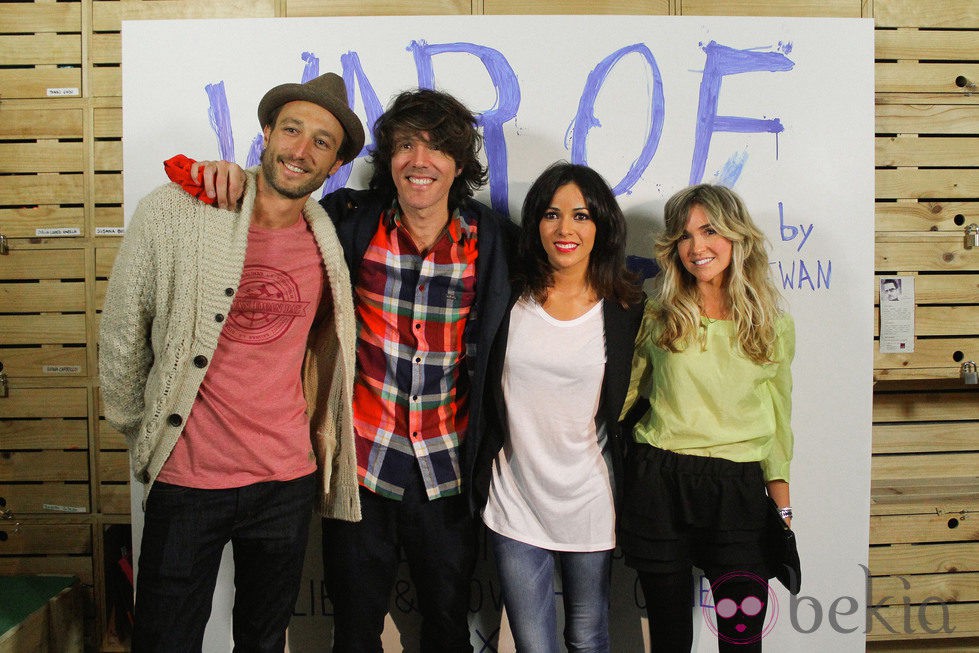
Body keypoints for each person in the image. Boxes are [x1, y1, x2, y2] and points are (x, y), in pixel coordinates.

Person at [181, 88, 518, 653]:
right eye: (406, 145)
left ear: (458, 165)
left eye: (437, 148)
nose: (418, 160)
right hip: (361, 469)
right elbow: (277, 197)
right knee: (356, 631)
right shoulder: (346, 222)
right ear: (388, 158)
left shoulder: (492, 241)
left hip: (449, 471)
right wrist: (229, 177)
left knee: (447, 627)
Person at [99, 72, 364, 651]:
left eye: (322, 142)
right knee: (165, 640)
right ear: (266, 132)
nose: (301, 150)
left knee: (265, 642)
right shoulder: (178, 212)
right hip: (188, 477)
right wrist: (140, 428)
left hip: (286, 482)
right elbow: (122, 330)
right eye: (292, 130)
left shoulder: (327, 241)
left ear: (336, 164)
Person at [471, 163, 644, 652]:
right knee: (533, 645)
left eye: (581, 215)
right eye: (551, 214)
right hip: (514, 499)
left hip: (589, 499)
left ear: (602, 227)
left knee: (588, 637)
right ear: (535, 225)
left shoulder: (626, 309)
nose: (565, 229)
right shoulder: (508, 296)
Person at [619, 183, 795, 652]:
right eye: (685, 234)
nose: (697, 247)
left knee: (742, 641)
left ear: (736, 236)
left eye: (710, 230)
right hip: (659, 480)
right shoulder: (658, 312)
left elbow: (779, 412)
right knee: (670, 641)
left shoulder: (771, 323)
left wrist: (782, 502)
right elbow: (627, 394)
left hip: (737, 489)